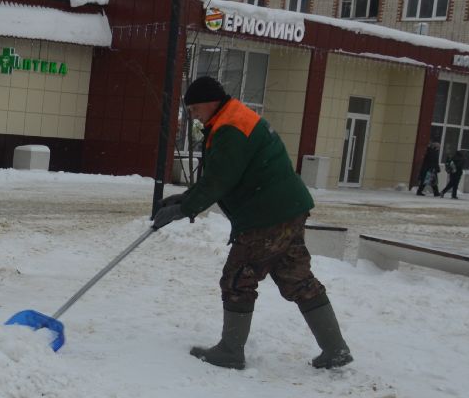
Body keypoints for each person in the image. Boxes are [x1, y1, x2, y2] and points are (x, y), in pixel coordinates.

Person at [151, 75, 352, 370]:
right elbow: (221, 175)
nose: (193, 116)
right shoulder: (233, 118)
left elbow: (220, 179)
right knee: (297, 277)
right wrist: (185, 198)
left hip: (266, 215)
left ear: (208, 102)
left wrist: (186, 209)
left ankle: (231, 351)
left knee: (238, 278)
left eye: (194, 110)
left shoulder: (230, 127)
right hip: (287, 208)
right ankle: (336, 349)